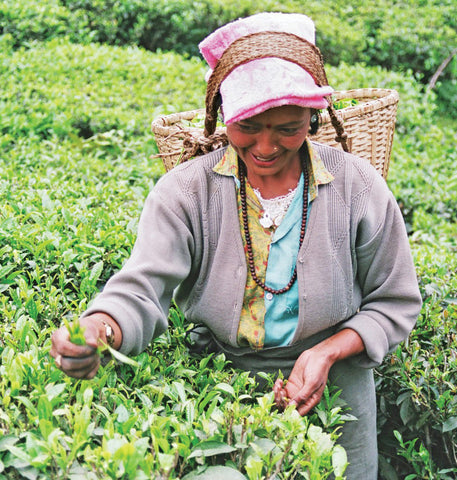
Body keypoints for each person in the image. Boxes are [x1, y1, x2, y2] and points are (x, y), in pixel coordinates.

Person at [50, 12, 422, 478]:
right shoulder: (185, 192)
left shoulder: (358, 187)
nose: (265, 146)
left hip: (337, 395)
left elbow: (395, 301)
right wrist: (102, 327)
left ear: (313, 117)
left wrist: (326, 352)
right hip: (222, 390)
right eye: (247, 126)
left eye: (287, 127)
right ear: (222, 115)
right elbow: (143, 287)